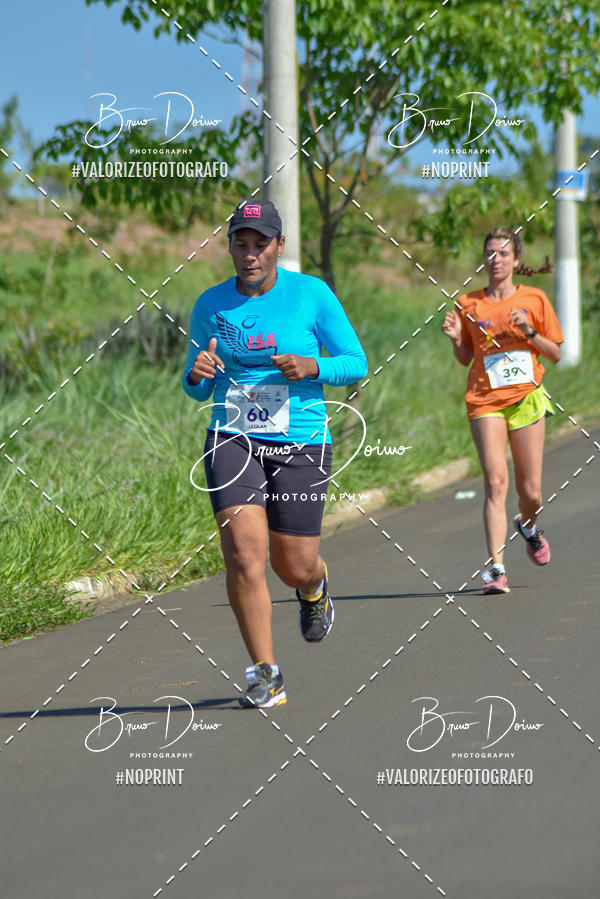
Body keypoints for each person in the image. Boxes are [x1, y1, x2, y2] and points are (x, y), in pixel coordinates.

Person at [182, 200, 368, 706]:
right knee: (244, 555)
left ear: (279, 246)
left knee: (293, 563)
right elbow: (195, 383)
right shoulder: (210, 305)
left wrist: (313, 367)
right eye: (240, 244)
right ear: (230, 248)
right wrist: (197, 373)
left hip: (301, 440)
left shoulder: (312, 294)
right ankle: (266, 673)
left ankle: (314, 588)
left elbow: (355, 362)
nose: (249, 255)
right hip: (232, 437)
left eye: (259, 244)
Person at [442, 226, 564, 594]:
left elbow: (555, 353)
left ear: (516, 260)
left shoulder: (535, 299)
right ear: (484, 258)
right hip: (484, 401)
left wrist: (529, 332)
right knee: (496, 483)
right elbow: (466, 359)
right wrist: (454, 340)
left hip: (526, 399)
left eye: (503, 253)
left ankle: (527, 525)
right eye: (490, 253)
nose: (496, 260)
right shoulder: (468, 303)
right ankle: (496, 569)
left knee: (532, 494)